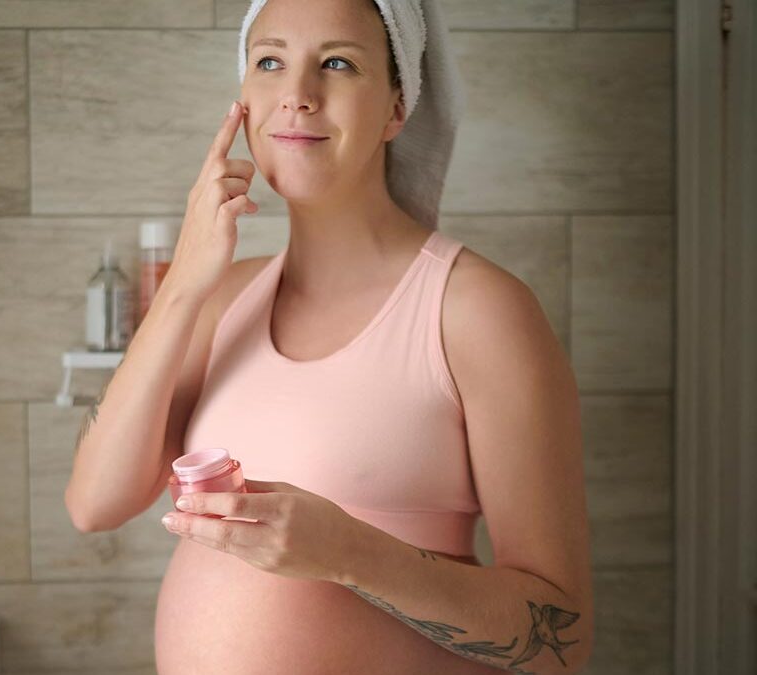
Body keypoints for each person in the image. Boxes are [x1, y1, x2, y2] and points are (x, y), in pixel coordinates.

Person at [66, 0, 594, 673]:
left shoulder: (477, 311)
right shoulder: (219, 299)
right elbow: (93, 503)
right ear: (244, 100)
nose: (297, 96)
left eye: (338, 63)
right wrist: (185, 279)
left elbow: (564, 641)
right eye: (270, 62)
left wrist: (350, 552)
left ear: (397, 109)